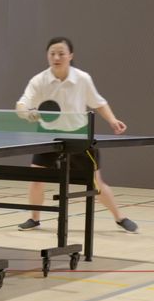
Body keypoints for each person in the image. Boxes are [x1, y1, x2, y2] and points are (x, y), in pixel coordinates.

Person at [15, 37, 139, 233]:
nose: (56, 57)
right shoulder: (39, 81)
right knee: (36, 178)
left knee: (96, 183)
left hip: (78, 136)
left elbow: (98, 102)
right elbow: (22, 103)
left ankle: (119, 217)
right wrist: (26, 112)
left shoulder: (82, 78)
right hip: (48, 136)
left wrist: (113, 120)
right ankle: (34, 218)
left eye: (61, 53)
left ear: (70, 56)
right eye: (52, 53)